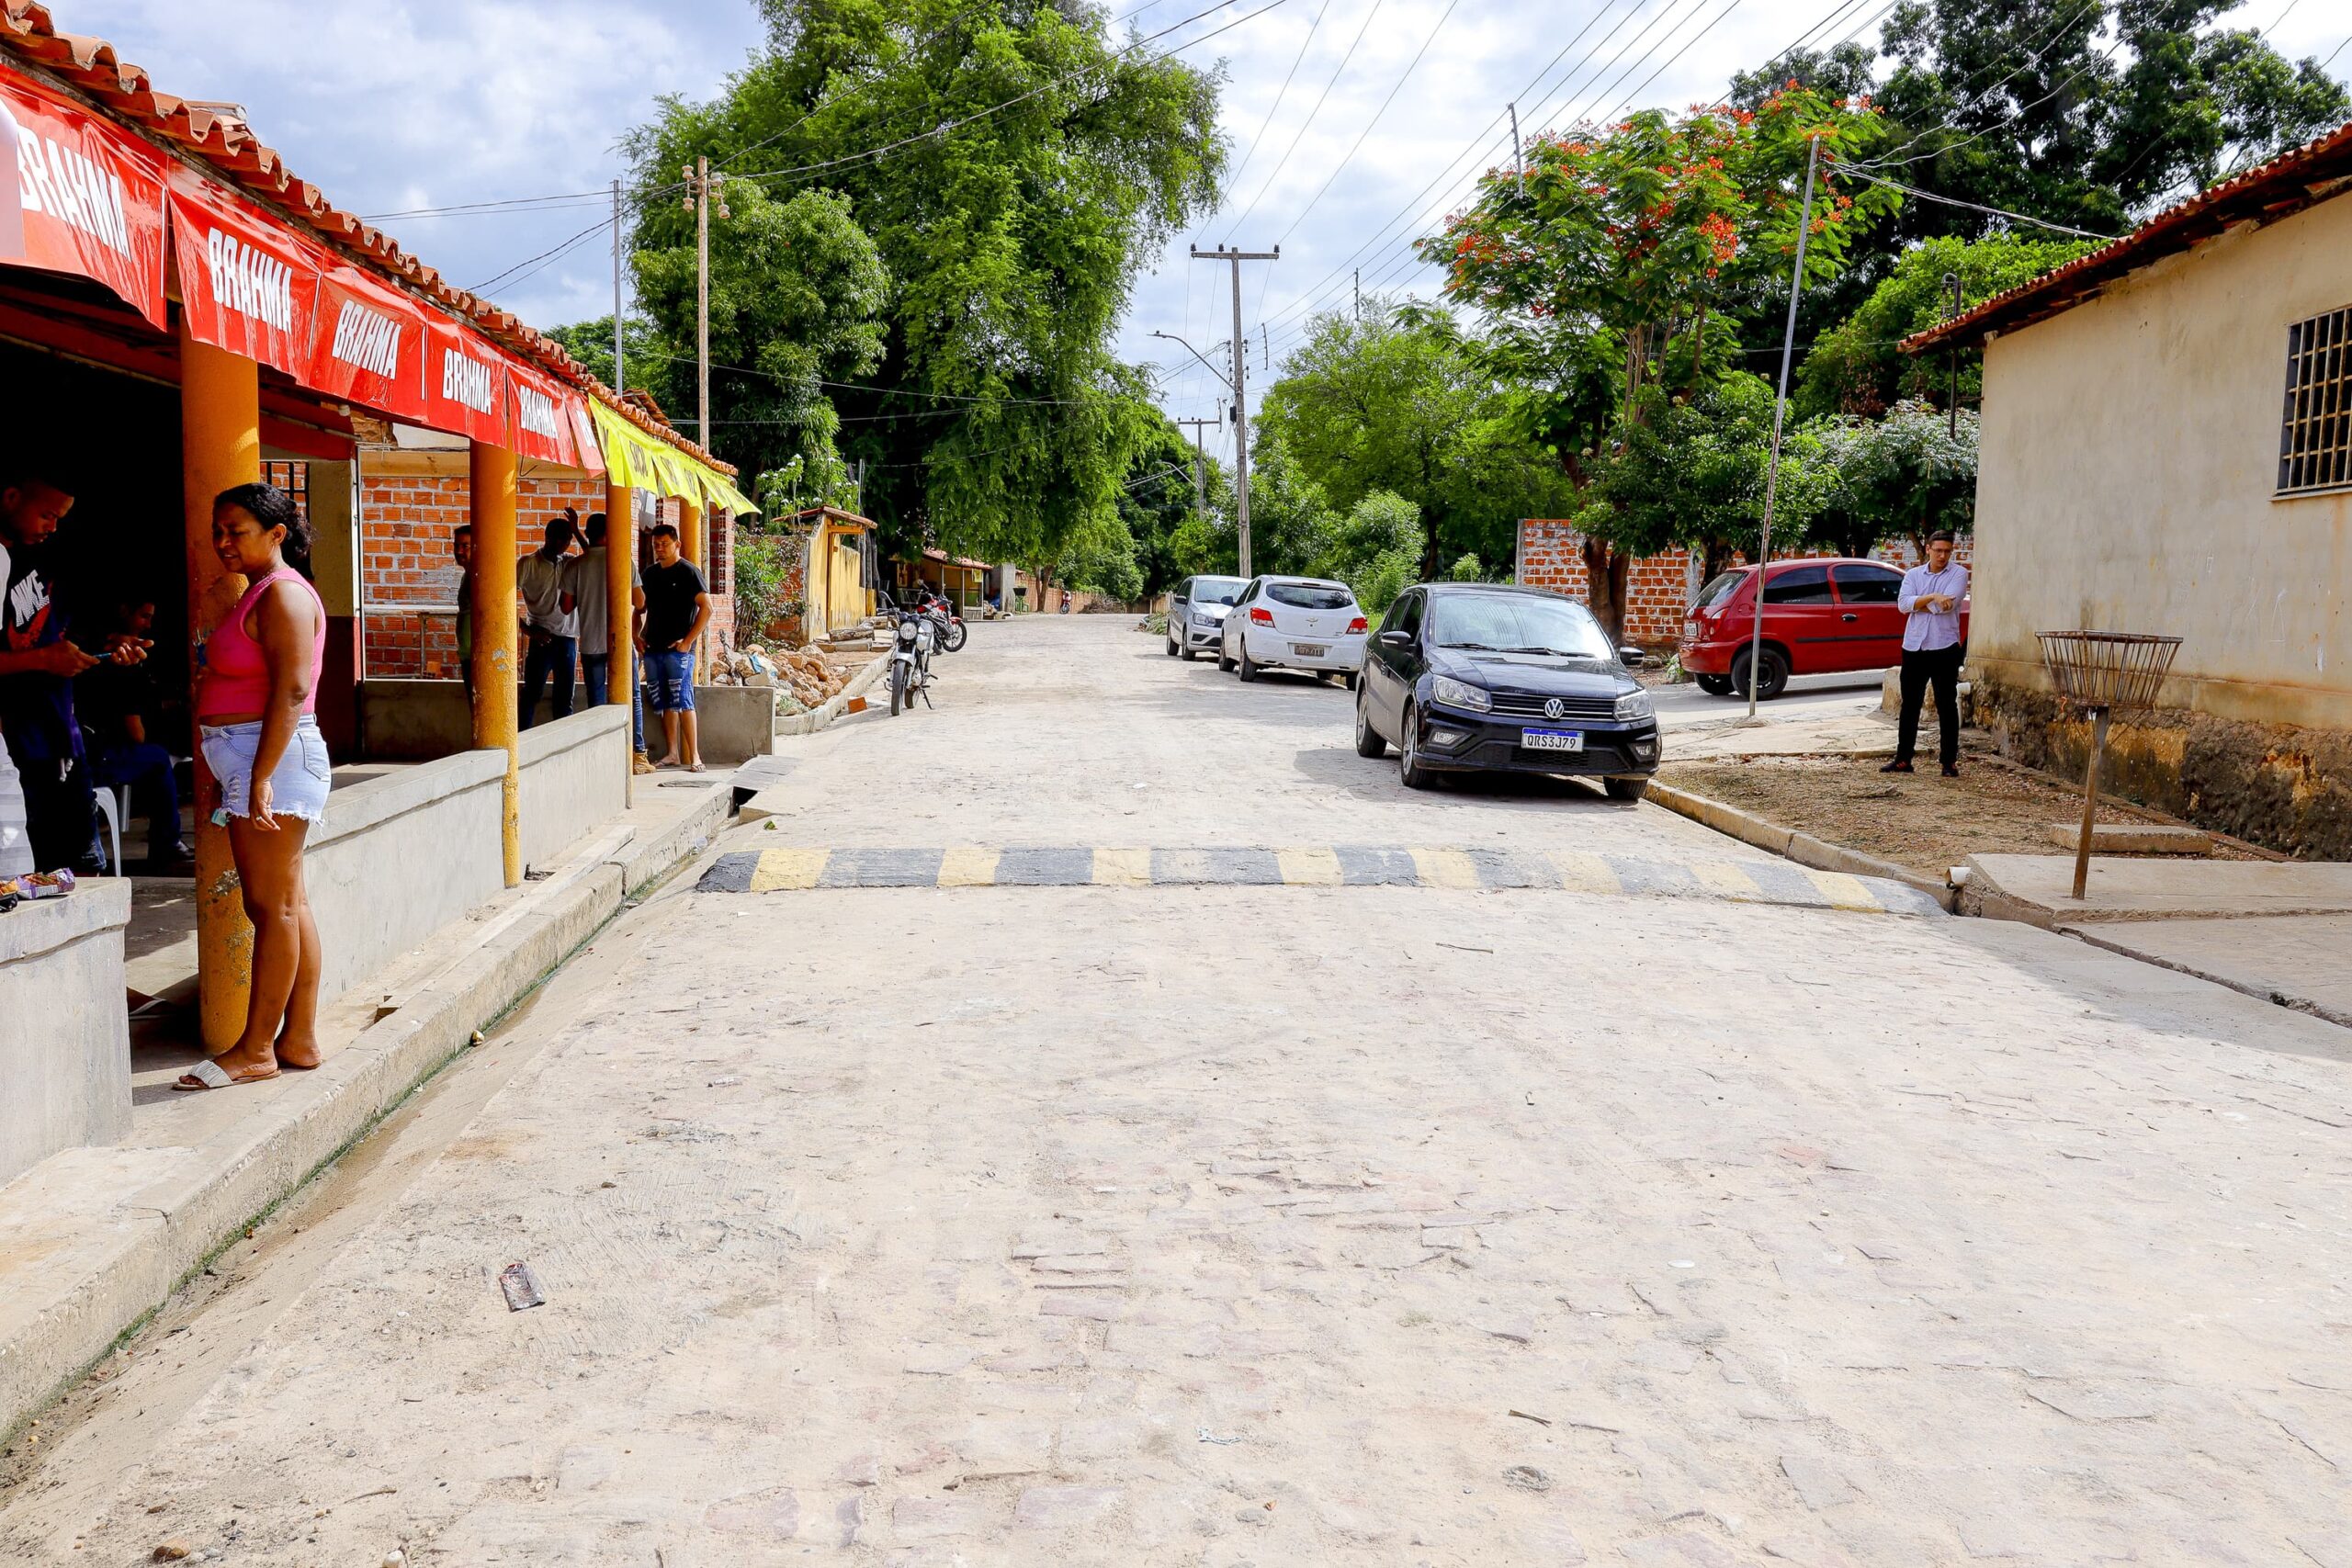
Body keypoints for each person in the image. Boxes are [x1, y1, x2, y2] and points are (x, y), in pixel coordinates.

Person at [176, 482, 329, 1091]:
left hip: (276, 759)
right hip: (256, 759)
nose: (221, 542)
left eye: (234, 530)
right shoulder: (260, 593)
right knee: (290, 904)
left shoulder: (284, 596)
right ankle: (299, 1039)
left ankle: (257, 1048)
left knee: (272, 908)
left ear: (276, 534)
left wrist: (259, 776)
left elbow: (291, 691)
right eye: (218, 530)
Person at [0, 472, 149, 874]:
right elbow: (42, 653)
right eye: (47, 514)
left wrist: (108, 647)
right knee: (28, 875)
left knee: (81, 870)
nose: (52, 527)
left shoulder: (45, 560)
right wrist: (44, 660)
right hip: (15, 748)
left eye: (60, 518)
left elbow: (62, 637)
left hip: (62, 739)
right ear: (11, 496)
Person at [84, 596, 190, 872]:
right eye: (144, 616)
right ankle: (167, 846)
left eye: (151, 617)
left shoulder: (133, 659)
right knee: (155, 758)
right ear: (123, 611)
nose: (148, 624)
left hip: (91, 749)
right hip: (88, 755)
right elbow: (136, 732)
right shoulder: (113, 662)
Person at [1884, 529, 1970, 778]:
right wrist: (1932, 596)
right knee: (1910, 704)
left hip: (1944, 647)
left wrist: (1920, 603)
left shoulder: (1959, 574)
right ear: (1928, 549)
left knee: (1946, 705)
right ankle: (1903, 759)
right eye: (1938, 550)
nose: (1942, 556)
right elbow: (1903, 605)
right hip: (1914, 647)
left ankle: (1948, 761)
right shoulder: (1912, 575)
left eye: (1947, 551)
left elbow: (1947, 607)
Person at [638, 521, 710, 772]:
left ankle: (695, 755)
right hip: (654, 647)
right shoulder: (649, 574)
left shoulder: (689, 572)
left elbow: (707, 608)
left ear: (677, 544)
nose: (660, 549)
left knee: (684, 700)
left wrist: (688, 641)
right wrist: (638, 635)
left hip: (680, 650)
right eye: (656, 545)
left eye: (665, 544)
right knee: (665, 702)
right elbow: (639, 608)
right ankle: (672, 753)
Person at [515, 511, 578, 728]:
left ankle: (561, 747)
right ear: (547, 537)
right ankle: (521, 741)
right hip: (541, 637)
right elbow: (501, 602)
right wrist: (529, 631)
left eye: (568, 539)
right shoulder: (528, 563)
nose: (564, 543)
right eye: (560, 538)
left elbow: (596, 558)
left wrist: (577, 530)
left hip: (568, 638)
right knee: (532, 693)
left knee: (564, 699)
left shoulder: (570, 562)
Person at [449, 524, 476, 694]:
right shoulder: (468, 575)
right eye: (456, 546)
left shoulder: (480, 576)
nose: (459, 551)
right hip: (469, 655)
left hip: (479, 657)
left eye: (465, 546)